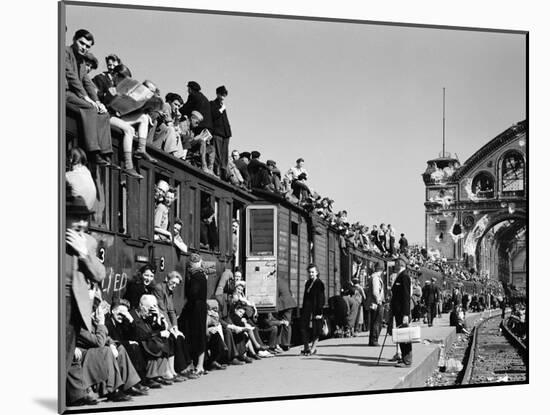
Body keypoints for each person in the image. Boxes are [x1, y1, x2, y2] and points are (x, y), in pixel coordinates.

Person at [65, 194, 106, 405]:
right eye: (76, 217)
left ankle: (73, 395)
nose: (82, 223)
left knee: (66, 350)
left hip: (74, 305)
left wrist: (83, 254)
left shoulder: (88, 242)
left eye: (85, 218)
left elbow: (100, 274)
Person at [65, 29, 117, 168]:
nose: (84, 47)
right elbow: (72, 77)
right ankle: (93, 151)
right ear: (74, 39)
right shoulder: (64, 52)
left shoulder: (82, 61)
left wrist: (98, 102)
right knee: (89, 107)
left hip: (75, 94)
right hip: (65, 93)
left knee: (103, 113)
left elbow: (87, 82)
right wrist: (86, 98)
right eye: (82, 43)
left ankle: (105, 152)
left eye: (88, 46)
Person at [182, 254, 208, 375]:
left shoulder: (196, 276)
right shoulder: (202, 274)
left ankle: (197, 365)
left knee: (194, 335)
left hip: (195, 308)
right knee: (200, 334)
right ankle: (199, 365)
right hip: (201, 308)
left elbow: (192, 293)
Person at [390, 255, 412, 367]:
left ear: (400, 263)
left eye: (396, 263)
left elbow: (406, 297)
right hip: (399, 312)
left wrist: (406, 314)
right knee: (402, 336)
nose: (394, 265)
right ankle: (404, 358)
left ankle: (407, 360)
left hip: (402, 312)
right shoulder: (401, 276)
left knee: (404, 337)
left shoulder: (404, 277)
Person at [301, 264, 325, 356]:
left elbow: (321, 298)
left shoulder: (319, 283)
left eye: (313, 272)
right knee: (304, 328)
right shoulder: (308, 283)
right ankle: (306, 347)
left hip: (316, 310)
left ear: (317, 273)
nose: (311, 274)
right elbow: (305, 297)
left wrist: (319, 311)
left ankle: (313, 349)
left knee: (316, 330)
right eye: (309, 272)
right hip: (307, 309)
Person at [210, 86, 232, 179]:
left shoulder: (223, 105)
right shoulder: (212, 103)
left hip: (225, 133)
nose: (223, 97)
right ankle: (217, 171)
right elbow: (213, 115)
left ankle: (223, 173)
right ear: (218, 94)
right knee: (218, 154)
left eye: (224, 95)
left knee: (224, 155)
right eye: (222, 94)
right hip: (217, 132)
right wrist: (221, 109)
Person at [366, 262, 385, 346]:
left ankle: (372, 340)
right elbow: (375, 292)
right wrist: (379, 301)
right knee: (377, 321)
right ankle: (374, 340)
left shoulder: (374, 277)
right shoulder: (376, 278)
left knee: (374, 321)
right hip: (376, 303)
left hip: (373, 303)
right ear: (381, 269)